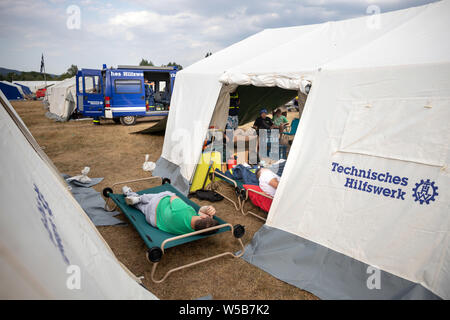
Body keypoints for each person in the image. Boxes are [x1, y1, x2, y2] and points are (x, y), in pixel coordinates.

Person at [122, 186, 219, 235]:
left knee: (168, 194)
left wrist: (206, 210)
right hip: (153, 220)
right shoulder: (192, 230)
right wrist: (207, 211)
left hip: (156, 205)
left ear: (203, 217)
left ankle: (138, 197)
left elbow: (173, 198)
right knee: (142, 208)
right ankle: (135, 201)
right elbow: (201, 213)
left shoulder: (185, 210)